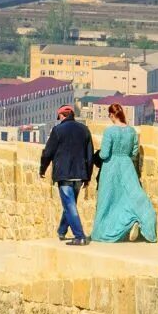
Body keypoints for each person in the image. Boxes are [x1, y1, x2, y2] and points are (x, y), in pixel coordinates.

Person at [89, 103, 158, 245]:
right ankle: (136, 221)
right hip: (127, 166)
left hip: (111, 167)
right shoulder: (131, 131)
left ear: (112, 115)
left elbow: (104, 153)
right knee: (132, 196)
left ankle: (105, 231)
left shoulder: (110, 131)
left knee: (108, 201)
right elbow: (134, 153)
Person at [36, 103, 97, 244]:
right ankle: (62, 231)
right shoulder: (84, 130)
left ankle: (79, 236)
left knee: (69, 205)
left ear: (62, 116)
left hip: (64, 174)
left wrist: (42, 169)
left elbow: (48, 152)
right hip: (80, 174)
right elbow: (90, 155)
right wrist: (87, 176)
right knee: (70, 204)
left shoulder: (58, 130)